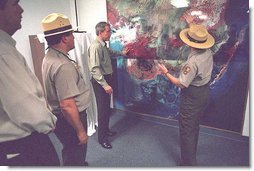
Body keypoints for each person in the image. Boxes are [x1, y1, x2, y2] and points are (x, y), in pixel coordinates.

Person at [0, 0, 59, 166]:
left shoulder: (7, 48)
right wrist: (49, 122)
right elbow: (24, 106)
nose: (21, 9)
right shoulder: (3, 53)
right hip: (23, 146)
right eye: (14, 4)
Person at [157, 24, 215, 166]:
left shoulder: (193, 62)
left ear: (191, 43)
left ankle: (189, 164)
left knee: (187, 129)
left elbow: (181, 83)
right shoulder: (207, 52)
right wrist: (178, 68)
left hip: (192, 96)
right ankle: (192, 154)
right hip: (204, 92)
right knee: (194, 125)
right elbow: (192, 72)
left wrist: (166, 72)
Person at [41, 13, 91, 166]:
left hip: (61, 117)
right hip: (71, 117)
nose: (74, 38)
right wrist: (81, 131)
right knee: (76, 151)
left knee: (70, 149)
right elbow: (67, 105)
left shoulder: (50, 55)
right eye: (72, 35)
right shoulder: (62, 65)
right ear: (64, 38)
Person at [88, 21, 128, 149]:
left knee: (106, 109)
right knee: (103, 110)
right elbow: (94, 69)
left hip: (105, 80)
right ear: (100, 32)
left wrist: (122, 53)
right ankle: (102, 139)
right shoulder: (96, 47)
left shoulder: (103, 45)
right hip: (100, 82)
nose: (110, 33)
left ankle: (106, 131)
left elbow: (111, 53)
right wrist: (105, 85)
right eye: (108, 31)